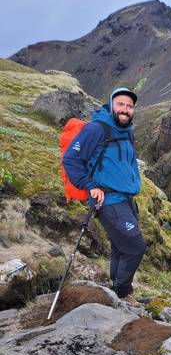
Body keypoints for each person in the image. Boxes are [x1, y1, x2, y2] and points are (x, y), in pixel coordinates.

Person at [62, 87, 146, 299]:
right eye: (121, 104)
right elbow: (71, 159)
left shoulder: (127, 132)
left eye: (129, 106)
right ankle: (123, 292)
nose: (125, 109)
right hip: (108, 200)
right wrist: (90, 185)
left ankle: (114, 289)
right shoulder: (97, 130)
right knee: (135, 247)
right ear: (111, 105)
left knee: (120, 246)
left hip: (126, 199)